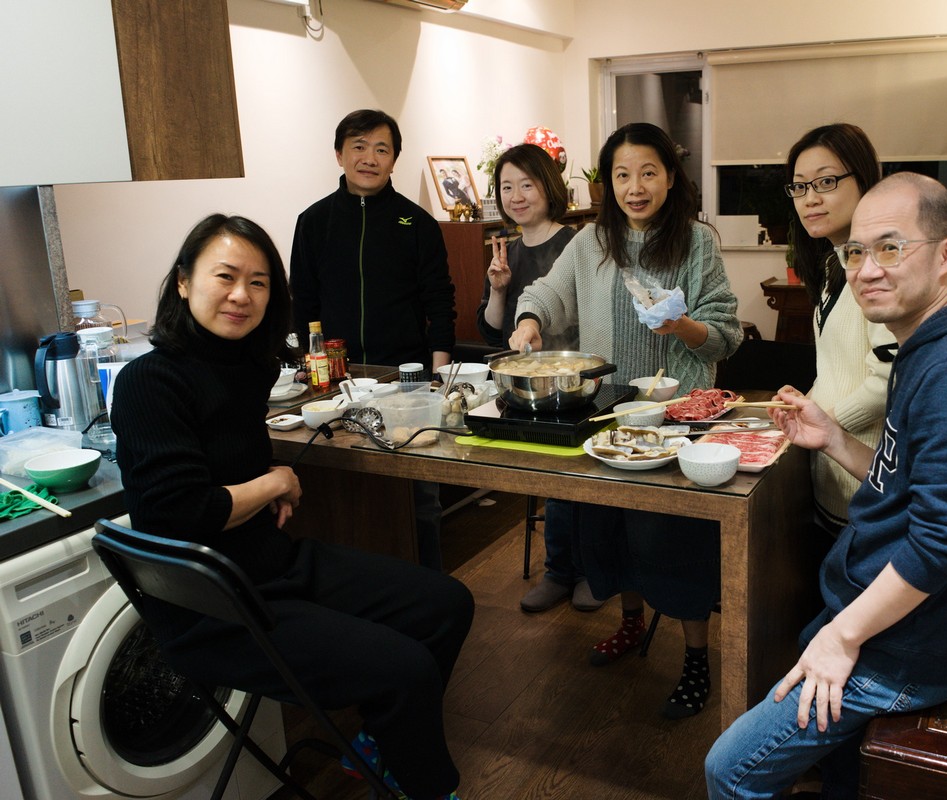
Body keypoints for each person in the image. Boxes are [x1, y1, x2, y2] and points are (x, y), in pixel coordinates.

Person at [111, 214, 473, 800]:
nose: (241, 295)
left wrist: (266, 485)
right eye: (225, 276)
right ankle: (424, 785)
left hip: (271, 565)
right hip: (212, 606)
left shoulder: (247, 366)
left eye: (258, 282)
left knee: (446, 603)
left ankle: (381, 745)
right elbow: (184, 512)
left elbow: (225, 463)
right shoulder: (148, 382)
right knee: (404, 667)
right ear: (182, 281)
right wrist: (275, 481)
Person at [705, 173, 947, 799]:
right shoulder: (928, 346)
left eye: (891, 247)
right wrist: (834, 439)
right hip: (882, 622)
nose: (867, 270)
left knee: (731, 770)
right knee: (840, 770)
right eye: (856, 252)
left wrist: (844, 635)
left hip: (907, 648)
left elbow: (945, 543)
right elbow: (903, 483)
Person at [511, 122, 743, 718]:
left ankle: (696, 658)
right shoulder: (592, 240)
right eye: (621, 175)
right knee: (613, 530)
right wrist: (530, 320)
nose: (634, 187)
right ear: (606, 183)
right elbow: (549, 291)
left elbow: (725, 332)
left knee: (673, 540)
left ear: (670, 177)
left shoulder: (697, 242)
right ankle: (631, 624)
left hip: (677, 418)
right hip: (608, 415)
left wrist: (680, 326)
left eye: (647, 173)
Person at [290, 108, 456, 570]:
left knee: (418, 498)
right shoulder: (314, 221)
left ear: (394, 159)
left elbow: (440, 301)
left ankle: (429, 585)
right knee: (343, 494)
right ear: (339, 154)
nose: (369, 158)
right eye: (359, 147)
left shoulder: (416, 222)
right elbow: (302, 302)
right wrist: (306, 365)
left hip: (407, 379)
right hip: (336, 381)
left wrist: (439, 374)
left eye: (381, 149)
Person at [475, 143, 600, 613]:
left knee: (582, 479)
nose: (516, 196)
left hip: (575, 381)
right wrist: (498, 289)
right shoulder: (504, 250)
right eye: (506, 187)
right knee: (551, 479)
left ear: (548, 187)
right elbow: (492, 330)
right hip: (527, 385)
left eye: (526, 184)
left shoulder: (577, 243)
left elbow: (589, 315)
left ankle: (590, 574)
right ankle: (559, 572)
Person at [785, 123, 894, 544]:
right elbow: (838, 368)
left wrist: (827, 423)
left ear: (863, 180)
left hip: (864, 485)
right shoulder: (836, 263)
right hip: (832, 477)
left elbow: (888, 378)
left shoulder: (878, 271)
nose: (810, 198)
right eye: (799, 187)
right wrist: (806, 403)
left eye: (826, 182)